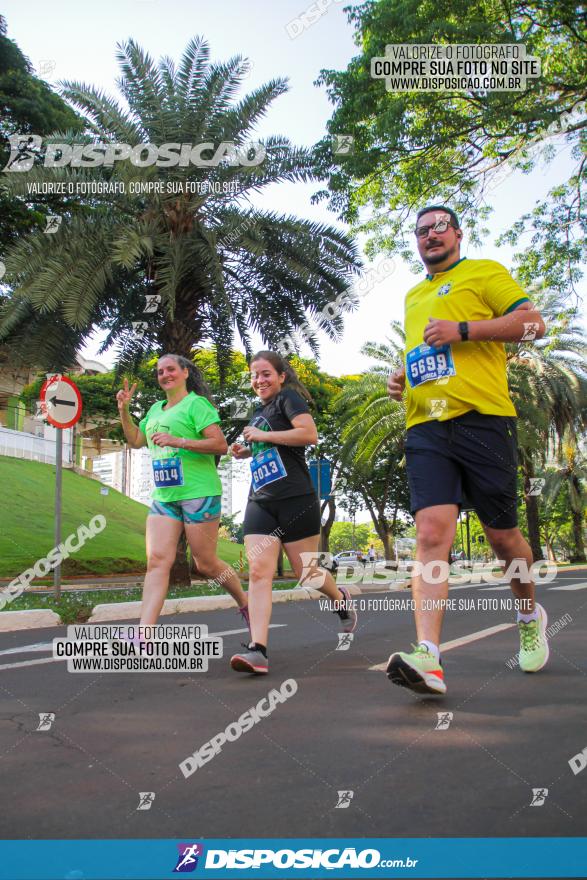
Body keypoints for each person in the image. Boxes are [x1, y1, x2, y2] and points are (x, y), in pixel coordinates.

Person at [385, 205, 548, 695]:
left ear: (457, 233)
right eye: (421, 231)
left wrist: (464, 330)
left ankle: (527, 613)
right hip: (427, 427)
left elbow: (534, 324)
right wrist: (406, 378)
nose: (430, 235)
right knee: (432, 533)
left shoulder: (485, 274)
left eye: (439, 227)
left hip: (484, 422)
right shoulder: (414, 295)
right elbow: (430, 355)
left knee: (504, 540)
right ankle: (428, 657)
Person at [229, 350, 357, 674]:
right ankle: (258, 649)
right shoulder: (259, 412)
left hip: (296, 499)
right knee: (259, 571)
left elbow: (308, 434)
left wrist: (263, 435)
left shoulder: (289, 399)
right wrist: (246, 450)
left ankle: (340, 600)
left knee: (308, 574)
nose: (259, 380)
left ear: (281, 376)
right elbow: (267, 445)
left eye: (265, 373)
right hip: (260, 500)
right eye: (254, 375)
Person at [116, 354, 249, 631]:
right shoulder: (154, 410)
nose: (165, 374)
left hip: (198, 493)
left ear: (185, 372)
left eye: (171, 369)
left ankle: (245, 603)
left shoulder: (196, 405)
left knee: (205, 563)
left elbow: (220, 444)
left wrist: (178, 441)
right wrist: (124, 410)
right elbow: (136, 440)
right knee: (156, 561)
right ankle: (144, 634)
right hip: (165, 496)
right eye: (160, 371)